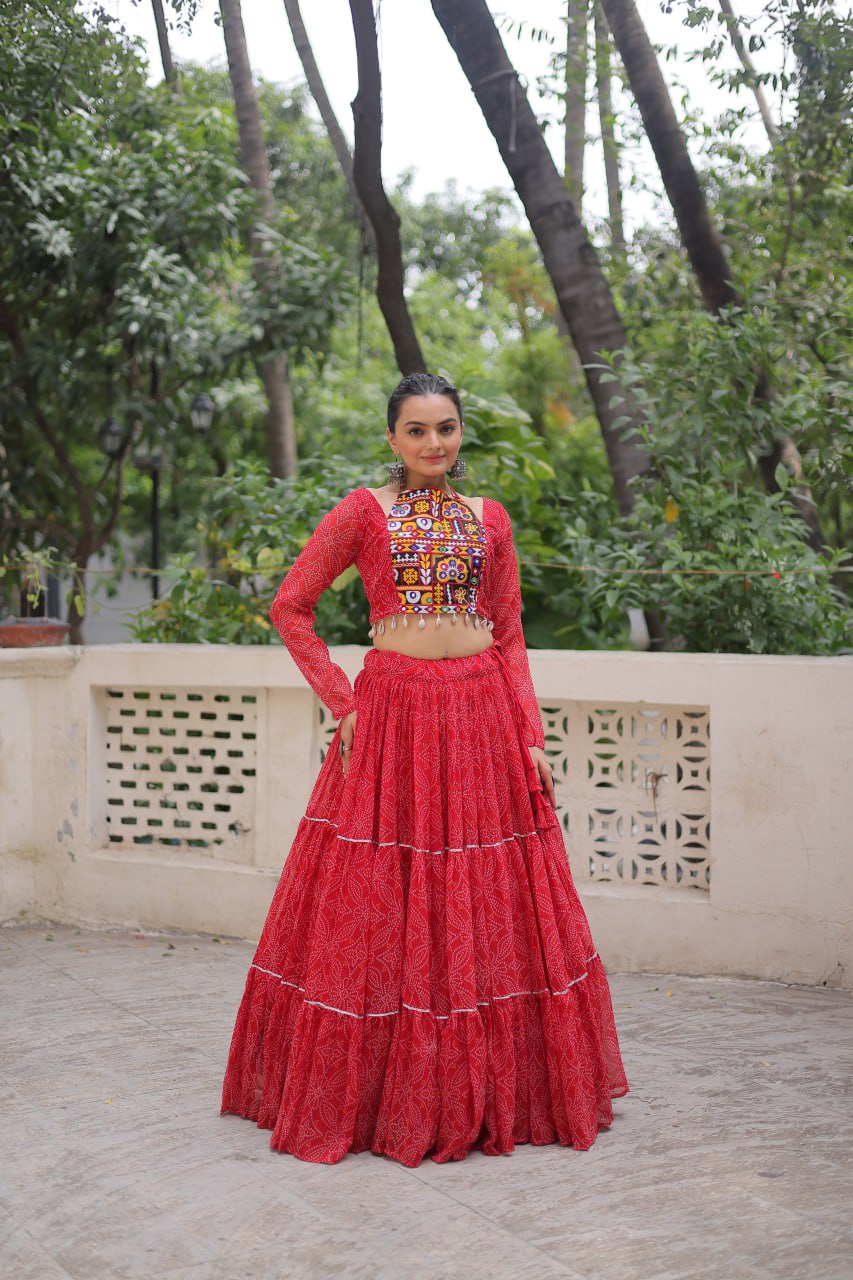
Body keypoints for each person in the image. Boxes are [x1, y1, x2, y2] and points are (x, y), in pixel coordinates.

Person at [221, 372, 629, 1166]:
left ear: (460, 433)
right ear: (392, 439)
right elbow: (289, 606)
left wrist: (530, 737)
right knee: (382, 897)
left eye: (445, 428)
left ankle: (492, 1091)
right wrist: (344, 703)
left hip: (479, 711)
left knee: (486, 899)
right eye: (416, 430)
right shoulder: (362, 512)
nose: (433, 444)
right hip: (394, 714)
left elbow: (508, 634)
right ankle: (382, 1095)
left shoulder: (491, 520)